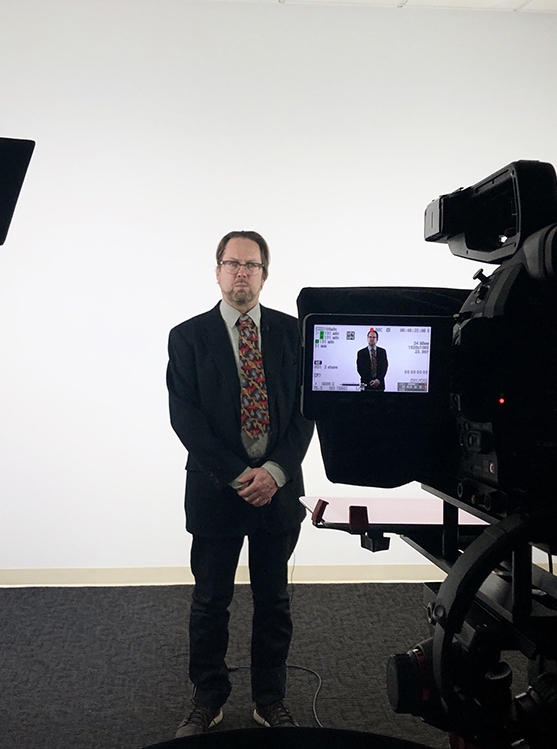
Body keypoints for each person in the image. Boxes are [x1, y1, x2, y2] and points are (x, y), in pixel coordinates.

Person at [167, 230, 314, 737]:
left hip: (277, 491)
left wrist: (274, 473)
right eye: (232, 263)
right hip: (216, 491)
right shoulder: (186, 337)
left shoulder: (293, 334)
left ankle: (269, 700)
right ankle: (207, 698)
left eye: (251, 265)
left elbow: (305, 413)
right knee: (211, 602)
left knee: (274, 602)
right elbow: (185, 419)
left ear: (265, 275)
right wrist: (237, 475)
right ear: (217, 271)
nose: (241, 273)